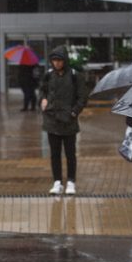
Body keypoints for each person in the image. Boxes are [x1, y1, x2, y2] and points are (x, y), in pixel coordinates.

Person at [38, 46, 88, 195]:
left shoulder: (75, 75)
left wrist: (74, 112)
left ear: (64, 60)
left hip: (69, 121)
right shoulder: (48, 75)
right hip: (51, 119)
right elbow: (42, 91)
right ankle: (57, 181)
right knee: (54, 153)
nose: (57, 63)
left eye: (59, 60)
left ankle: (71, 181)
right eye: (54, 60)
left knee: (70, 153)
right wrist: (43, 100)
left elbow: (83, 97)